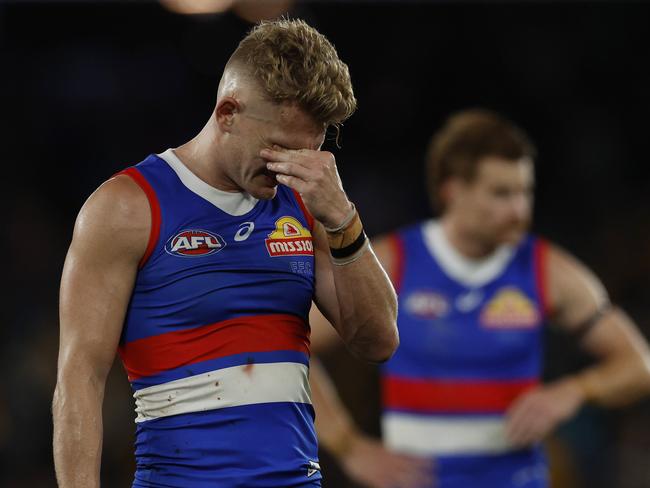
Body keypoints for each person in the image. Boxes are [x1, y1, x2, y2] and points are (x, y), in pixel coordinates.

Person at [52, 19, 399, 488]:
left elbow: (377, 341)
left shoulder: (306, 202)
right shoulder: (126, 208)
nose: (287, 168)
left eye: (308, 153)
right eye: (278, 148)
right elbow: (80, 377)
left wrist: (343, 219)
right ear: (228, 112)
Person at [309, 109, 650, 488]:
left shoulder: (547, 270)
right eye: (502, 193)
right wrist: (348, 445)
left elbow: (639, 364)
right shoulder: (393, 263)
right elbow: (293, 343)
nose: (520, 210)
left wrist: (575, 390)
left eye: (525, 192)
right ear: (453, 190)